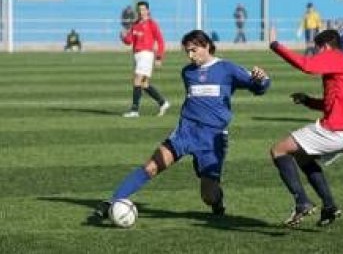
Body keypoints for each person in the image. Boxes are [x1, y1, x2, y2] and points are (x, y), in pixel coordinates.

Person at [92, 30, 271, 221]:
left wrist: (262, 79)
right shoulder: (187, 72)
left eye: (194, 50)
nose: (190, 56)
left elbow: (259, 88)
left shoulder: (227, 68)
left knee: (208, 196)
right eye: (187, 51)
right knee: (151, 167)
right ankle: (112, 201)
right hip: (185, 132)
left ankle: (217, 202)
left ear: (207, 46)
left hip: (212, 139)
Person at [268, 29, 343, 227]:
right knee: (303, 156)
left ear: (325, 47)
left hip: (336, 130)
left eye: (317, 50)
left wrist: (275, 46)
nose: (316, 54)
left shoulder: (334, 57)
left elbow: (306, 66)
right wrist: (308, 101)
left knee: (278, 150)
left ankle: (302, 202)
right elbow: (334, 102)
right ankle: (330, 206)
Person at [121, 0, 170, 118]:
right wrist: (123, 37)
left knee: (137, 79)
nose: (141, 12)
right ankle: (163, 103)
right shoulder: (136, 24)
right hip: (137, 55)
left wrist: (159, 57)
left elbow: (160, 41)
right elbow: (129, 41)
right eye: (139, 10)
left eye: (143, 9)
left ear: (148, 10)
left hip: (146, 55)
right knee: (144, 84)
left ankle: (134, 110)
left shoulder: (152, 24)